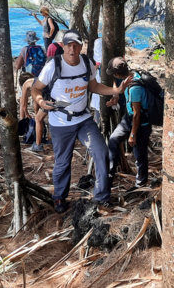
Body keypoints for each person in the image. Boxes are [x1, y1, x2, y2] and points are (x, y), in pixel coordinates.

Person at [32, 30, 132, 213]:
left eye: (76, 45)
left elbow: (94, 87)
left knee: (101, 152)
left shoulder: (87, 63)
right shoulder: (53, 66)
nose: (73, 49)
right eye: (69, 45)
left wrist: (116, 91)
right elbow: (36, 89)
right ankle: (60, 199)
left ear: (81, 46)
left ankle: (102, 198)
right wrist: (40, 102)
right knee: (63, 162)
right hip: (60, 122)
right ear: (63, 46)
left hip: (84, 119)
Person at [106, 57, 152, 188]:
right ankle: (110, 173)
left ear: (117, 74)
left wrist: (133, 134)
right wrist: (115, 98)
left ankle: (140, 184)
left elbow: (137, 114)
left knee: (139, 155)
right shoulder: (130, 77)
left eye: (114, 74)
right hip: (128, 118)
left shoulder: (134, 88)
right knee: (114, 139)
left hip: (140, 123)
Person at [18, 72, 47, 152]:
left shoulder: (25, 84)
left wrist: (27, 114)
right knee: (50, 118)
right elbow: (36, 100)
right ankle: (50, 139)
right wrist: (37, 112)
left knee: (38, 120)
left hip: (46, 97)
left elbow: (23, 103)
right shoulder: (38, 79)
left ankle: (38, 145)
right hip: (50, 94)